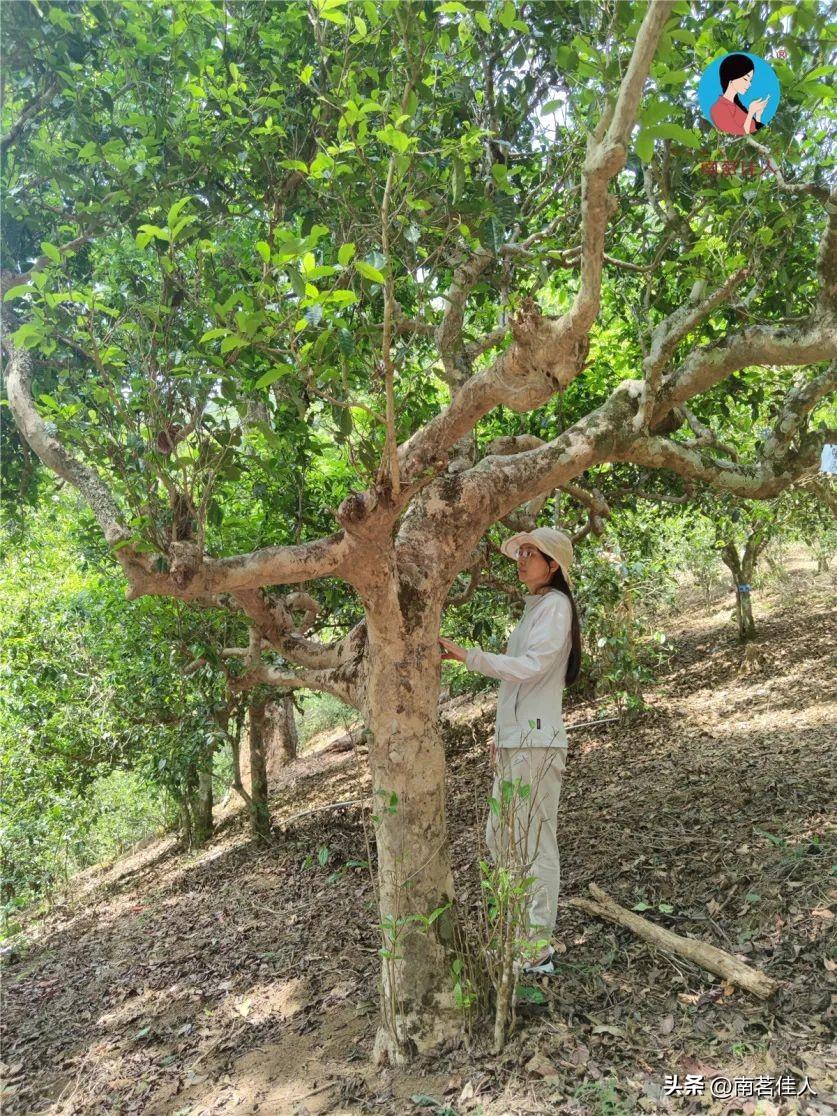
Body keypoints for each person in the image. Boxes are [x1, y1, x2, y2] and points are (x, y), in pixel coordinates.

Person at [438, 526, 581, 975]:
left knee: (534, 843)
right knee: (500, 837)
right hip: (520, 742)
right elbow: (523, 684)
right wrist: (503, 733)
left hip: (538, 743)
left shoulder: (556, 607)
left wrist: (469, 656)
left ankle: (536, 949)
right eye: (519, 553)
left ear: (553, 565)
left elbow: (530, 667)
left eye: (530, 554)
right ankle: (518, 936)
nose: (520, 560)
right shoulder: (536, 608)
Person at [710, 53, 769, 136]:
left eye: (750, 80)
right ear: (730, 79)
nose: (749, 84)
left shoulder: (738, 105)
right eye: (745, 79)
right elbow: (740, 131)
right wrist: (751, 112)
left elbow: (754, 131)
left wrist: (758, 114)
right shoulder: (718, 108)